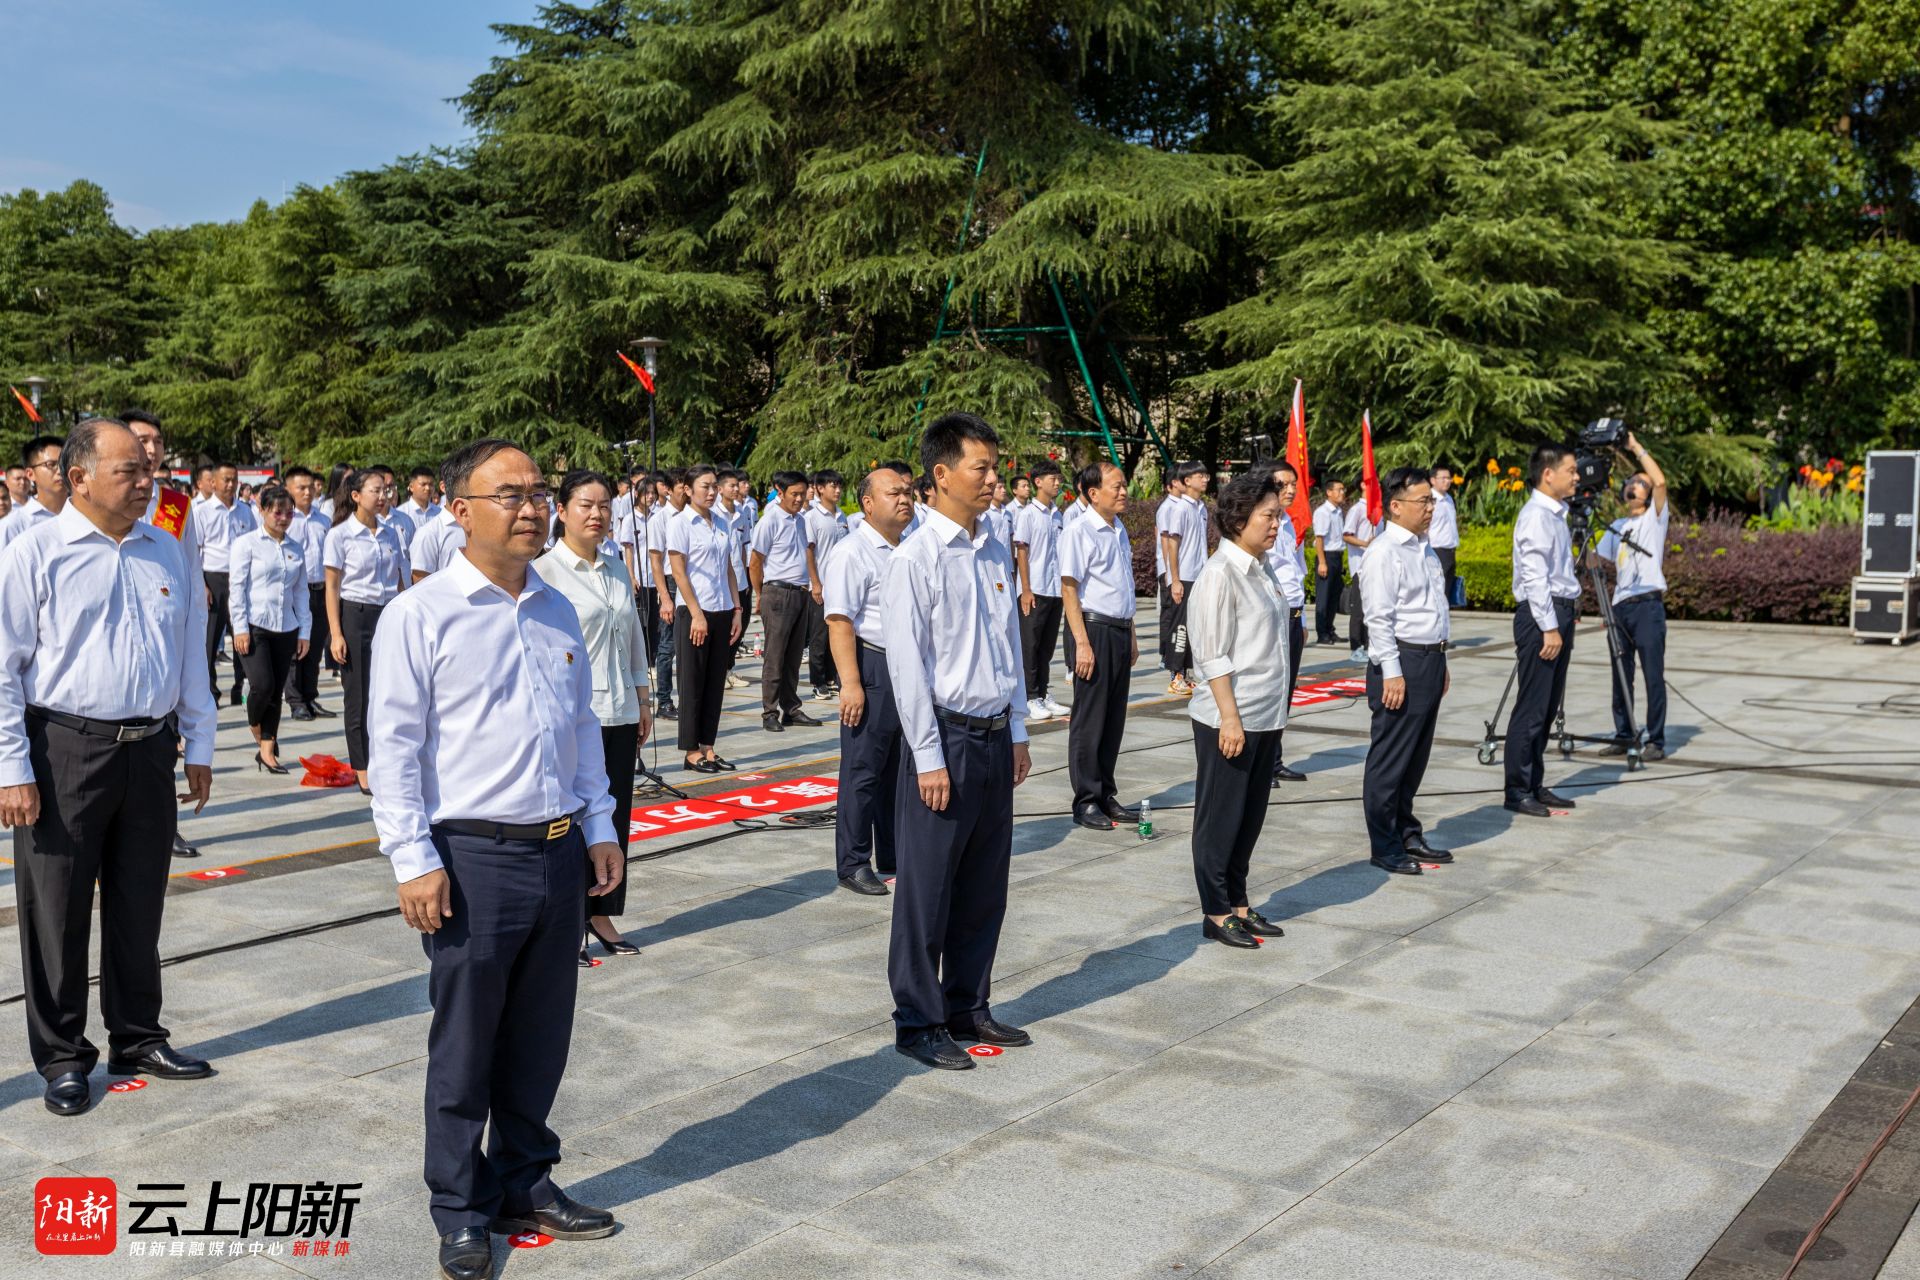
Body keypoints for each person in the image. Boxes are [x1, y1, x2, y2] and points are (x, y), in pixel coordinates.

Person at [367, 439, 624, 1280]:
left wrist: (599, 827)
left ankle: (525, 1180)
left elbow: (581, 729)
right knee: (467, 1043)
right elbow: (395, 748)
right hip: (471, 858)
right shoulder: (423, 613)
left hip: (556, 855)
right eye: (508, 493)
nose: (531, 507)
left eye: (538, 491)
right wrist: (412, 859)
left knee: (541, 1036)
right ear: (458, 509)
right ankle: (460, 1207)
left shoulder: (554, 607)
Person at [0, 417, 217, 1117]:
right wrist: (12, 765)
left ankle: (137, 1035)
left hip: (150, 746)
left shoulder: (164, 549)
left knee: (138, 901)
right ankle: (63, 1054)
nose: (146, 481)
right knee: (56, 908)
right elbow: (3, 667)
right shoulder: (34, 554)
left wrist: (200, 742)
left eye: (149, 470)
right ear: (78, 476)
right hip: (64, 747)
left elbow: (190, 649)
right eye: (129, 471)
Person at [884, 411, 1034, 1071]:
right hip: (944, 738)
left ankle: (968, 1002)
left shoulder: (994, 546)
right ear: (941, 475)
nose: (993, 480)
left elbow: (1011, 648)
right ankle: (918, 1020)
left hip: (995, 736)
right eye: (982, 468)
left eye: (995, 468)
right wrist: (926, 755)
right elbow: (907, 666)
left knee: (983, 884)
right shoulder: (915, 557)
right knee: (928, 889)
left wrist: (1020, 727)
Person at [538, 470, 654, 963]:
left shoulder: (616, 568)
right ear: (561, 511)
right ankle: (565, 922)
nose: (597, 514)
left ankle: (601, 911)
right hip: (572, 716)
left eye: (605, 505)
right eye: (586, 504)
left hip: (620, 709)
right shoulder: (545, 572)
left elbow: (632, 637)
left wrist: (644, 696)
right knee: (571, 819)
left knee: (614, 816)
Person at [1185, 471, 1291, 949]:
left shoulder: (1261, 567)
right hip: (1231, 717)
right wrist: (1230, 717)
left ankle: (1240, 902)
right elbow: (1212, 655)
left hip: (1266, 713)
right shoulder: (1218, 574)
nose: (1277, 522)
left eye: (1278, 513)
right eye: (1269, 515)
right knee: (1220, 817)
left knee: (1249, 817)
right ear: (1238, 518)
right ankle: (1215, 909)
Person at [825, 464, 914, 895]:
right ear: (867, 503)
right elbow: (840, 621)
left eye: (908, 492)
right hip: (871, 664)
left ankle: (894, 854)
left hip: (906, 666)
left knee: (899, 768)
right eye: (894, 493)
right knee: (863, 769)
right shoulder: (852, 551)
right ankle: (853, 862)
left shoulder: (909, 545)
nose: (904, 499)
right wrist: (851, 683)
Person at [122, 410, 207, 859]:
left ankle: (164, 826)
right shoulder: (105, 500)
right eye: (141, 440)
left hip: (168, 633)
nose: (151, 450)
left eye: (156, 441)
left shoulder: (176, 505)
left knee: (166, 736)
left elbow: (191, 574)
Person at [1361, 467, 1453, 875]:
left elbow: (1435, 607)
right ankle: (1385, 844)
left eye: (1432, 501)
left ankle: (1407, 831)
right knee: (1391, 758)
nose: (1430, 508)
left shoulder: (1424, 547)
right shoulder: (1384, 551)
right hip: (1400, 661)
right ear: (1396, 506)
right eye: (1423, 501)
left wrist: (1442, 658)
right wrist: (1393, 672)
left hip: (1428, 659)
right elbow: (1378, 619)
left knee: (1415, 757)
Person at [1504, 443, 1582, 818]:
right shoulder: (1536, 515)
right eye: (1571, 470)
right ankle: (1517, 789)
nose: (1577, 476)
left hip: (1556, 613)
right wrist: (1550, 626)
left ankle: (1533, 782)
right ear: (1548, 474)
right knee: (1532, 707)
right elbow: (1535, 577)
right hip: (1541, 618)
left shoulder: (1555, 514)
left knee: (1547, 707)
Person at [1060, 459, 1138, 830]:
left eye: (1124, 485)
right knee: (1090, 721)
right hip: (1094, 631)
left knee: (1113, 720)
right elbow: (1069, 588)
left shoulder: (1118, 528)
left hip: (1120, 630)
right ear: (1093, 493)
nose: (1124, 492)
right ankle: (1086, 799)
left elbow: (1122, 585)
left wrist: (1133, 633)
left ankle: (1106, 793)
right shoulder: (1079, 530)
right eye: (1116, 486)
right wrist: (1082, 644)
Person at [325, 469, 408, 793]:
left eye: (386, 490)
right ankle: (362, 767)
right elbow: (331, 588)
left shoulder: (391, 533)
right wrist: (336, 633)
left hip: (387, 614)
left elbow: (399, 580)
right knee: (358, 696)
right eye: (376, 490)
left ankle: (385, 760)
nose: (383, 496)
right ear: (356, 496)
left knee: (388, 694)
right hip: (355, 616)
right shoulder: (341, 535)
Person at [1593, 433, 1670, 761]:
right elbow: (1593, 559)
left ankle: (1656, 740)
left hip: (1647, 606)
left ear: (1648, 492)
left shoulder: (1655, 519)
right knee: (1620, 674)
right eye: (1630, 482)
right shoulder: (1618, 525)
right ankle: (1624, 733)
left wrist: (1635, 448)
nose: (1633, 486)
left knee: (1652, 675)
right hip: (1620, 608)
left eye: (1640, 482)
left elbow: (1661, 480)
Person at [666, 464, 744, 772]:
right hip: (693, 611)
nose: (711, 492)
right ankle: (690, 751)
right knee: (692, 682)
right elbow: (679, 571)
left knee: (714, 682)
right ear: (688, 489)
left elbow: (728, 569)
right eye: (705, 487)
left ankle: (709, 747)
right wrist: (697, 614)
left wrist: (737, 609)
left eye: (714, 486)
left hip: (722, 608)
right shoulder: (681, 523)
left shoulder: (721, 522)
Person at [229, 485, 312, 775]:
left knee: (276, 691)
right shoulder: (246, 544)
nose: (283, 517)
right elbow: (236, 589)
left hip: (286, 627)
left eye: (289, 512)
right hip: (255, 626)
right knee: (262, 685)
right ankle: (256, 725)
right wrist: (239, 628)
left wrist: (305, 632)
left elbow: (301, 592)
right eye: (277, 511)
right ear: (262, 510)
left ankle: (267, 751)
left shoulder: (295, 547)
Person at [750, 470, 824, 734]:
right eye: (794, 494)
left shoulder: (802, 521)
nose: (800, 498)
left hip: (800, 592)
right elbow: (756, 562)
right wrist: (761, 594)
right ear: (779, 492)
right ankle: (769, 711)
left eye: (803, 494)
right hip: (777, 593)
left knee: (793, 656)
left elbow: (808, 555)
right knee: (775, 655)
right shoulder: (769, 521)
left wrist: (815, 583)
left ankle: (791, 707)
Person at [191, 462, 258, 706]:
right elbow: (194, 551)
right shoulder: (202, 512)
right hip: (213, 578)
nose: (230, 485)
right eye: (225, 480)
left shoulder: (246, 511)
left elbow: (254, 545)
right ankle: (209, 689)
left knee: (242, 633)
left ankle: (241, 685)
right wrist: (202, 585)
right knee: (210, 639)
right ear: (213, 483)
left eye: (234, 479)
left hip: (240, 579)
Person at [278, 467, 337, 722]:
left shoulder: (323, 520)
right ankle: (295, 700)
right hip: (293, 592)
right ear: (288, 489)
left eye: (310, 487)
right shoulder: (284, 520)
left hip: (320, 589)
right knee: (295, 648)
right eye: (300, 487)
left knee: (314, 648)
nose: (307, 492)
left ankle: (310, 695)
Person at [1014, 460, 1068, 722]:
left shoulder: (1057, 515)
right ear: (1038, 482)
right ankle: (1029, 697)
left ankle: (1044, 693)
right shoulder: (1028, 514)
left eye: (1058, 479)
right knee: (1030, 646)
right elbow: (1022, 552)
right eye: (1052, 479)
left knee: (1046, 647)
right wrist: (1025, 589)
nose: (1057, 483)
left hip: (1054, 590)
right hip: (1033, 589)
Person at [1266, 461, 1309, 783]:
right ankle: (1261, 761)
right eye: (1283, 484)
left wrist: (1302, 617)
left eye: (1293, 484)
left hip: (1292, 615)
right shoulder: (1262, 524)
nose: (1291, 490)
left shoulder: (1290, 524)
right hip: (1273, 618)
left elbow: (1296, 573)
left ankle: (1274, 757)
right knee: (1269, 690)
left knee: (1285, 691)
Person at [1156, 460, 1211, 695]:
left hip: (1199, 575)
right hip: (1184, 576)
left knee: (1193, 626)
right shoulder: (1179, 508)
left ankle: (1186, 674)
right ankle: (1175, 674)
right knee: (1179, 626)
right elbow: (1171, 545)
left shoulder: (1202, 508)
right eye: (1200, 475)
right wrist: (1174, 579)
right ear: (1187, 481)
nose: (1206, 479)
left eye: (1206, 475)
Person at [646, 468, 689, 719]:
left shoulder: (694, 515)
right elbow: (655, 560)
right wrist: (665, 597)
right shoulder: (660, 519)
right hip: (671, 581)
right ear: (669, 489)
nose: (685, 491)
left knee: (688, 646)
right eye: (681, 486)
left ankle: (689, 699)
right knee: (667, 646)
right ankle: (663, 701)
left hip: (690, 582)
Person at [804, 469, 847, 699]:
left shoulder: (842, 516)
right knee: (819, 637)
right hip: (821, 585)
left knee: (836, 633)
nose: (837, 490)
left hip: (840, 586)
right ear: (820, 488)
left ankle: (831, 677)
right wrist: (816, 583)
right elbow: (809, 552)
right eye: (833, 486)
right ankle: (817, 680)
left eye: (839, 486)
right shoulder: (812, 517)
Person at [0, 434, 68, 552]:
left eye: (64, 464)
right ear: (30, 474)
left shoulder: (86, 514)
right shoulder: (13, 525)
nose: (60, 471)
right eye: (51, 465)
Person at [1343, 481, 1381, 663]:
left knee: (1372, 608)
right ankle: (1356, 646)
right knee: (1359, 609)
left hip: (1376, 566)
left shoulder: (1378, 510)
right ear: (1363, 485)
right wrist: (1365, 543)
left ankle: (1368, 644)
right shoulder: (1357, 509)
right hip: (1360, 566)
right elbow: (1346, 535)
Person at [1429, 464, 1459, 605]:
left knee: (1446, 592)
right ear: (1433, 480)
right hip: (1436, 550)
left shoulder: (1449, 499)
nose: (1447, 481)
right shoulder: (1429, 500)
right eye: (1443, 478)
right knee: (1436, 591)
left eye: (1449, 478)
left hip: (1450, 550)